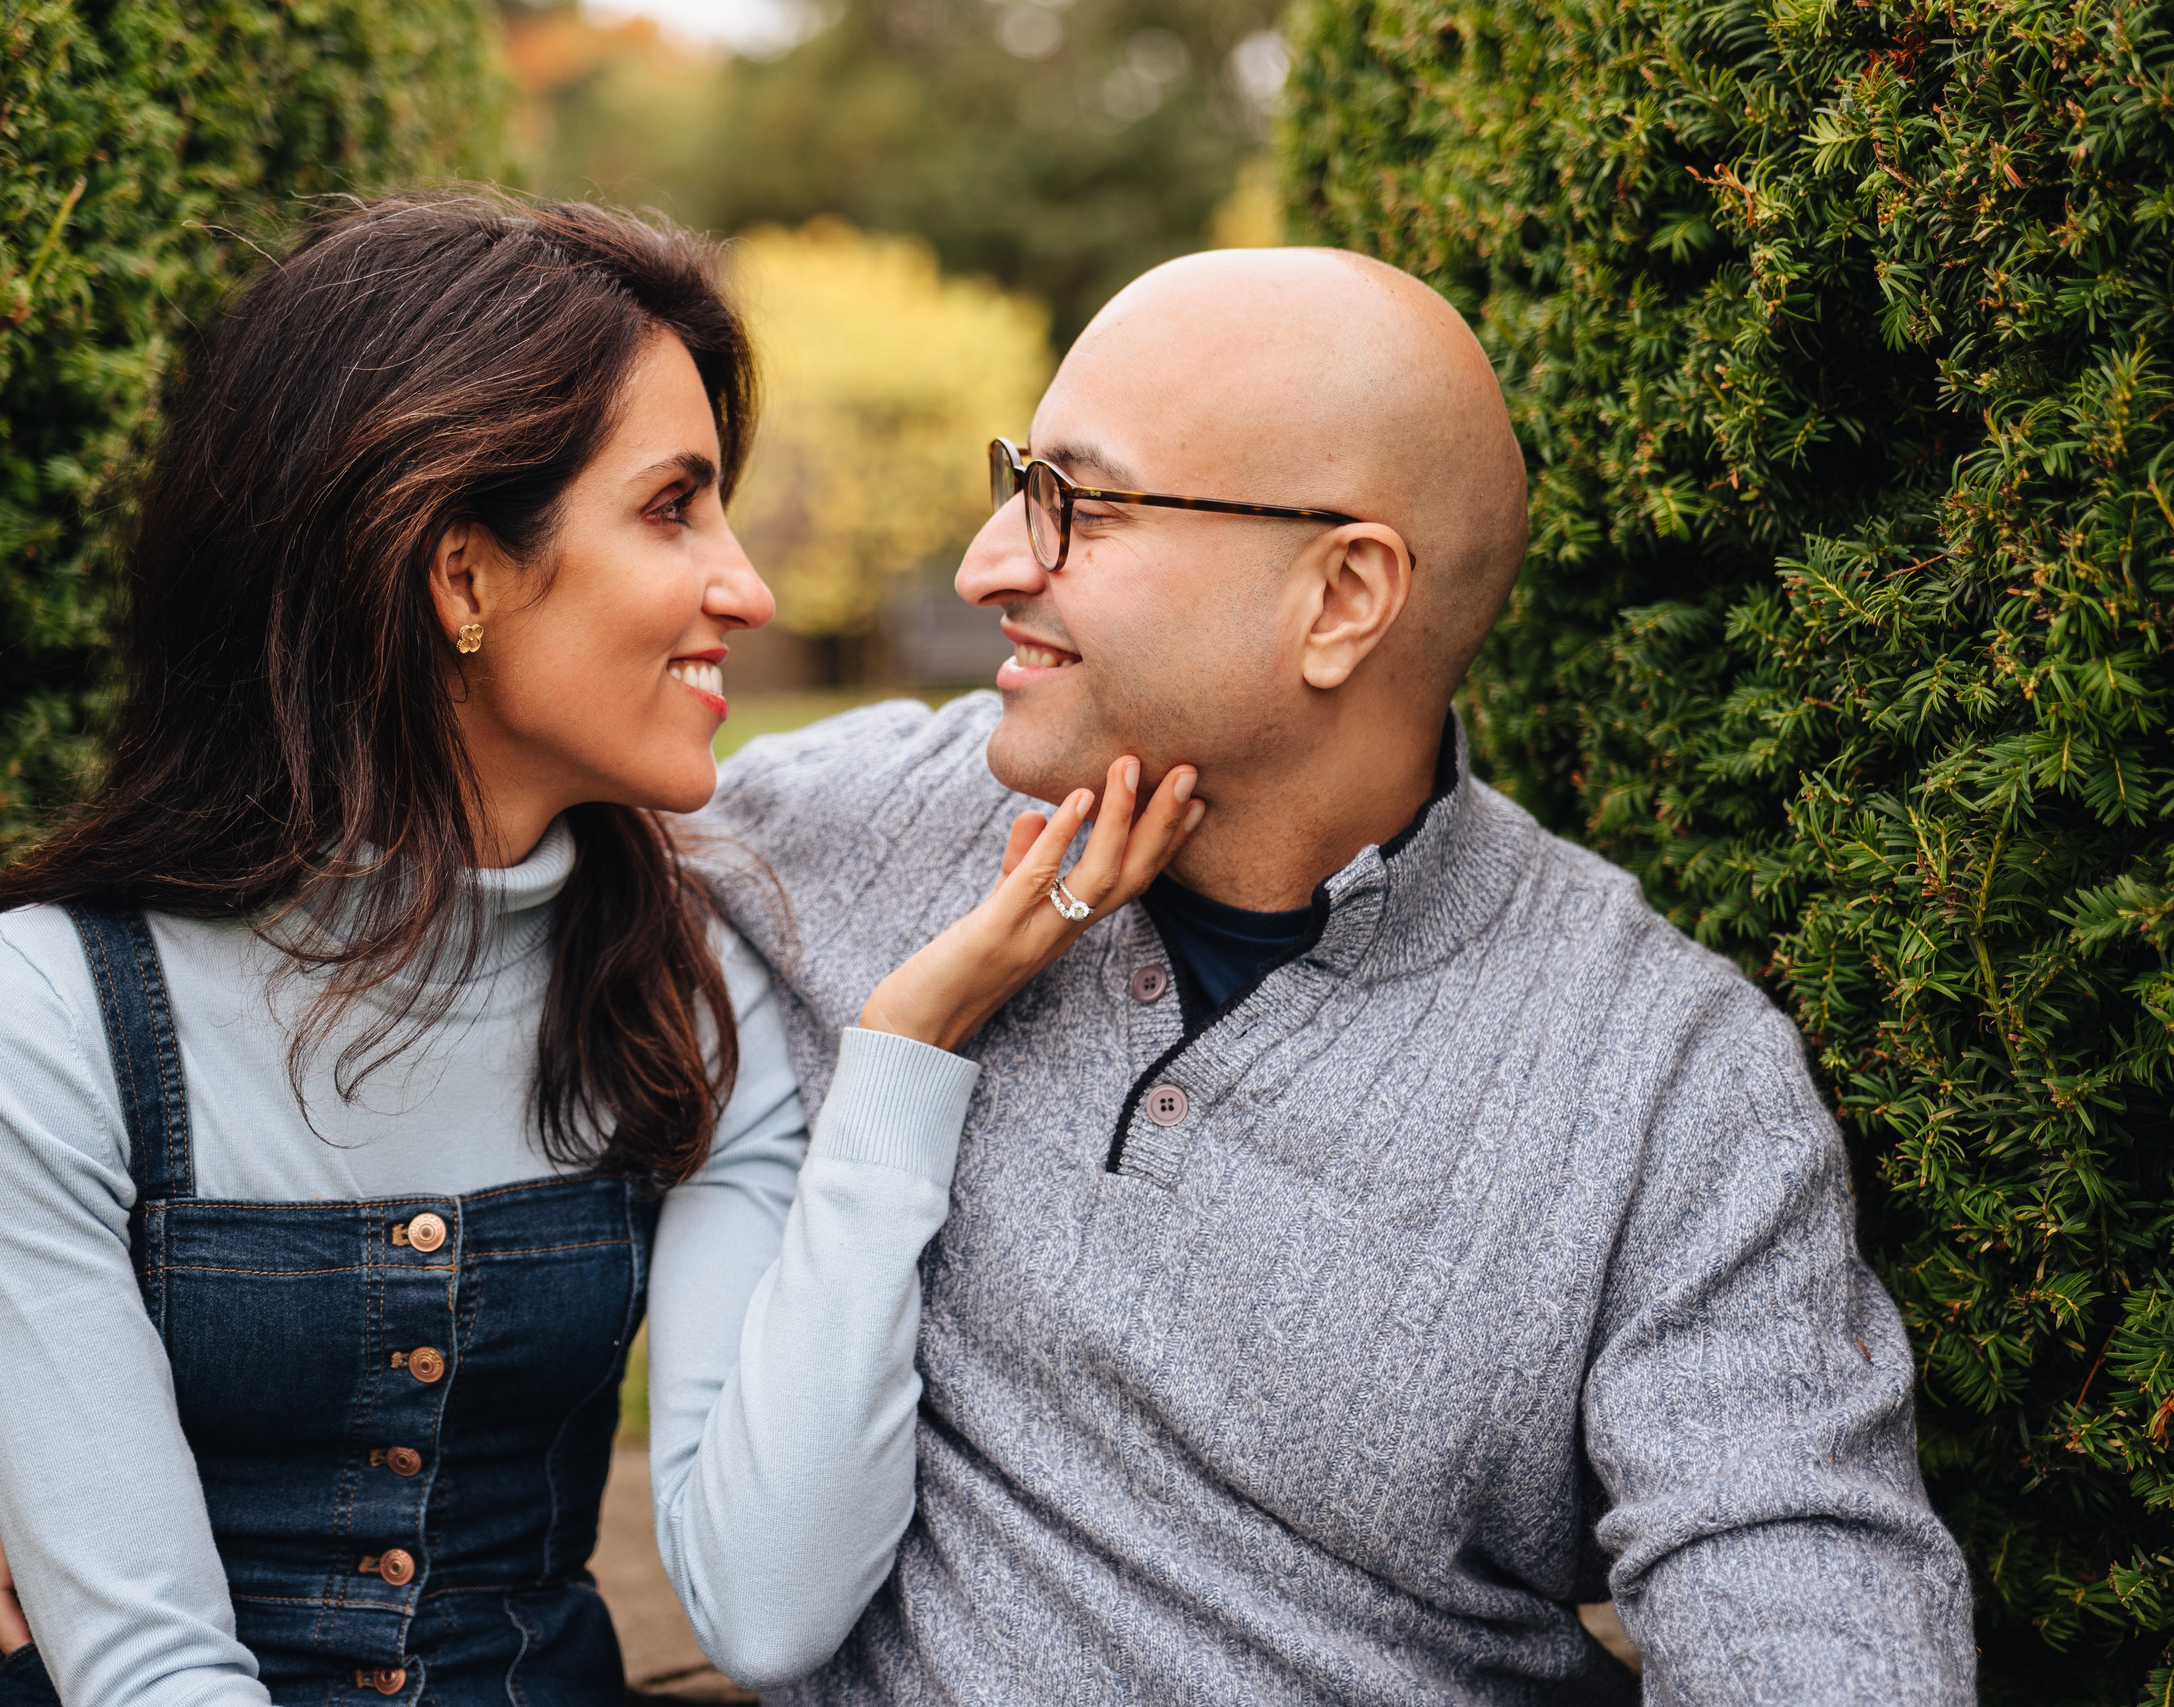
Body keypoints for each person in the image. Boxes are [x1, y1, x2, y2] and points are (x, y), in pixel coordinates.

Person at [0, 193, 1202, 1707]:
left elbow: (766, 1608)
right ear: (459, 576)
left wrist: (904, 1056)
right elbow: (148, 1668)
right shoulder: (36, 1022)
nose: (751, 587)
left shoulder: (686, 983)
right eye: (673, 507)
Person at [661, 248, 1977, 1702]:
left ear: (1343, 596)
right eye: (1013, 480)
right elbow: (487, 815)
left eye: (1076, 506)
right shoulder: (853, 826)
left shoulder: (1664, 1081)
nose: (988, 563)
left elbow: (1802, 1596)